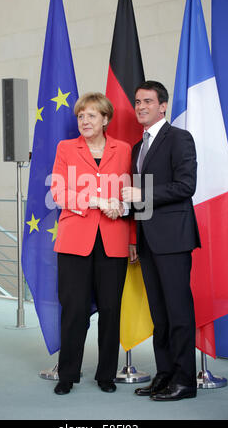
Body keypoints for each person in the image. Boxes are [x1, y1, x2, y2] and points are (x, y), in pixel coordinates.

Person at [51, 92, 134, 395]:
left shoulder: (124, 150)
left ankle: (106, 375)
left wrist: (121, 208)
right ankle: (68, 373)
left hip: (114, 241)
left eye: (91, 116)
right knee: (74, 310)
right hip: (74, 242)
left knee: (111, 310)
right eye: (80, 116)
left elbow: (134, 194)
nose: (84, 121)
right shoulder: (65, 148)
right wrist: (99, 200)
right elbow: (59, 194)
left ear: (106, 119)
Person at [122, 80, 201, 401]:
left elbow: (186, 186)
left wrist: (142, 194)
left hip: (173, 239)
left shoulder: (179, 138)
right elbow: (137, 199)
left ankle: (185, 381)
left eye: (148, 101)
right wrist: (132, 234)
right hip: (148, 241)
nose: (141, 107)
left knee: (179, 313)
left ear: (163, 106)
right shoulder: (138, 148)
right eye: (137, 102)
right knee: (160, 315)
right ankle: (165, 374)